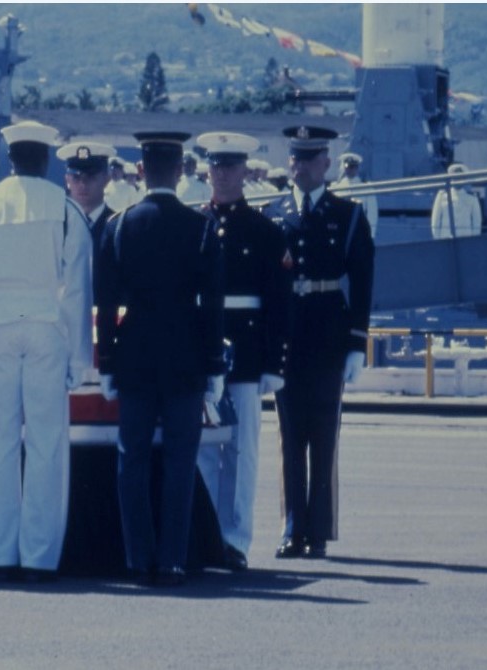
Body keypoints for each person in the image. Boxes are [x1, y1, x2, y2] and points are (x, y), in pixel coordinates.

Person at [0, 120, 93, 583]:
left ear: (11, 157)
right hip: (45, 328)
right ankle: (38, 557)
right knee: (46, 443)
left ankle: (2, 556)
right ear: (47, 158)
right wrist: (80, 358)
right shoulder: (65, 209)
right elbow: (76, 289)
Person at [95, 131, 225, 587]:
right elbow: (212, 304)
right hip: (187, 354)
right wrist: (214, 365)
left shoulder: (120, 225)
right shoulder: (202, 227)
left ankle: (137, 558)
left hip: (134, 354)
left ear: (141, 171)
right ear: (179, 170)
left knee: (131, 459)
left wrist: (107, 362)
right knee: (179, 459)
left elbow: (107, 305)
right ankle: (172, 559)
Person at [263, 125, 375, 560]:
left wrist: (356, 344)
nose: (302, 166)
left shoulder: (348, 216)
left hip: (329, 332)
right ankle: (293, 528)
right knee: (290, 437)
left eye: (310, 158)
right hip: (289, 335)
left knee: (324, 436)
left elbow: (363, 283)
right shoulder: (273, 215)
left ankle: (320, 530)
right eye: (296, 157)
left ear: (326, 163)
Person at [193, 132, 292, 572]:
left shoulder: (265, 230)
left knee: (240, 451)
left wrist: (274, 362)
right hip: (203, 351)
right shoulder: (194, 224)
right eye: (215, 166)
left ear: (244, 172)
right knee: (200, 448)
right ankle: (205, 535)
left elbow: (279, 299)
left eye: (229, 167)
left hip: (249, 354)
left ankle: (234, 540)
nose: (221, 174)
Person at [58, 140, 116, 255]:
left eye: (91, 176)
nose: (83, 184)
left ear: (107, 179)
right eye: (76, 177)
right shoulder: (58, 226)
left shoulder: (118, 227)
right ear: (67, 180)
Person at [333, 152, 379, 238]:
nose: (351, 170)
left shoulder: (366, 188)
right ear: (343, 168)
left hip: (359, 229)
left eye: (354, 167)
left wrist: (370, 235)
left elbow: (372, 213)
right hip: (340, 230)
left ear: (357, 168)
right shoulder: (335, 188)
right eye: (348, 167)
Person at [431, 163, 482, 239]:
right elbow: (435, 221)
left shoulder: (472, 198)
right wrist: (438, 240)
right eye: (454, 177)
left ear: (464, 179)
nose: (457, 179)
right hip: (445, 239)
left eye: (460, 177)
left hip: (465, 239)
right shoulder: (442, 196)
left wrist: (472, 241)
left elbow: (477, 223)